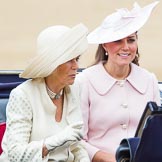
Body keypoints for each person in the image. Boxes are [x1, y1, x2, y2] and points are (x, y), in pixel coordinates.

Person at [77, 1, 161, 162]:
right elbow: (77, 140)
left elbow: (156, 135)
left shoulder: (149, 80)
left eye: (131, 40)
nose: (126, 47)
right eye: (117, 41)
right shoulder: (84, 82)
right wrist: (108, 159)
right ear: (104, 45)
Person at [0, 23, 90, 162]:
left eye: (77, 59)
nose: (76, 66)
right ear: (52, 63)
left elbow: (75, 146)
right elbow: (15, 154)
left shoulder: (74, 88)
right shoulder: (23, 95)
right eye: (69, 60)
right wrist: (56, 140)